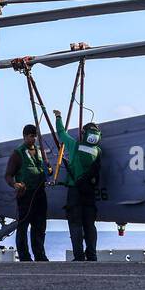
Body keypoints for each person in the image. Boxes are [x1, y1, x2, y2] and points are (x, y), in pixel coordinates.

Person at [54, 111, 102, 262]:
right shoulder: (98, 151)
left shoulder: (75, 146)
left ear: (84, 133)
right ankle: (92, 255)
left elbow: (61, 134)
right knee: (90, 225)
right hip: (90, 192)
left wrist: (58, 117)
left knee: (75, 225)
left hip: (75, 190)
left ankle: (79, 256)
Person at [5, 124, 49, 262]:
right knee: (23, 225)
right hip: (25, 194)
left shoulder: (41, 151)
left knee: (40, 225)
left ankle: (40, 255)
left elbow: (47, 168)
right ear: (24, 137)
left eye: (35, 136)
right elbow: (8, 175)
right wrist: (14, 184)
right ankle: (24, 256)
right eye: (31, 136)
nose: (34, 139)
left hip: (40, 193)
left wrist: (50, 170)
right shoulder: (17, 153)